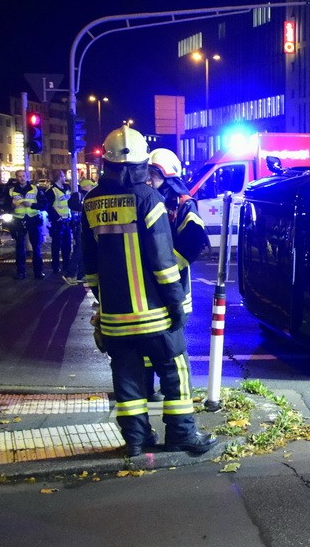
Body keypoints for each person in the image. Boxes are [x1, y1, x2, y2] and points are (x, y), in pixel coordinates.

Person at [82, 126, 216, 457]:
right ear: (142, 162)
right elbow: (162, 261)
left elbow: (88, 264)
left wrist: (103, 305)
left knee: (127, 379)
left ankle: (136, 441)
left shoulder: (90, 202)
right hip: (154, 314)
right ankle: (182, 435)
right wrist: (174, 304)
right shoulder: (149, 199)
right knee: (176, 371)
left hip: (115, 316)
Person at [147, 148, 208, 316]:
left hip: (175, 284)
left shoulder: (184, 204)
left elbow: (193, 242)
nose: (148, 178)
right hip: (150, 283)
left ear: (167, 176)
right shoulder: (148, 200)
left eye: (153, 173)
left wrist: (167, 266)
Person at [8, 169, 46, 279]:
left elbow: (44, 204)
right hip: (19, 221)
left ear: (27, 176)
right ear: (16, 177)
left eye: (23, 176)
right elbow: (5, 205)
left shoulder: (35, 189)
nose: (22, 178)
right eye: (19, 176)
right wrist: (12, 205)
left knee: (36, 247)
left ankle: (38, 271)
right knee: (20, 247)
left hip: (33, 220)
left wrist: (32, 205)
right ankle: (20, 272)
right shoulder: (11, 190)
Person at [43, 169, 74, 280]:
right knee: (56, 245)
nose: (64, 177)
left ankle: (66, 265)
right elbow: (49, 207)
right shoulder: (51, 191)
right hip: (57, 222)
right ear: (60, 177)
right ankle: (55, 267)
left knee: (67, 245)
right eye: (63, 175)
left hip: (67, 220)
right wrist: (57, 217)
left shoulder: (67, 188)